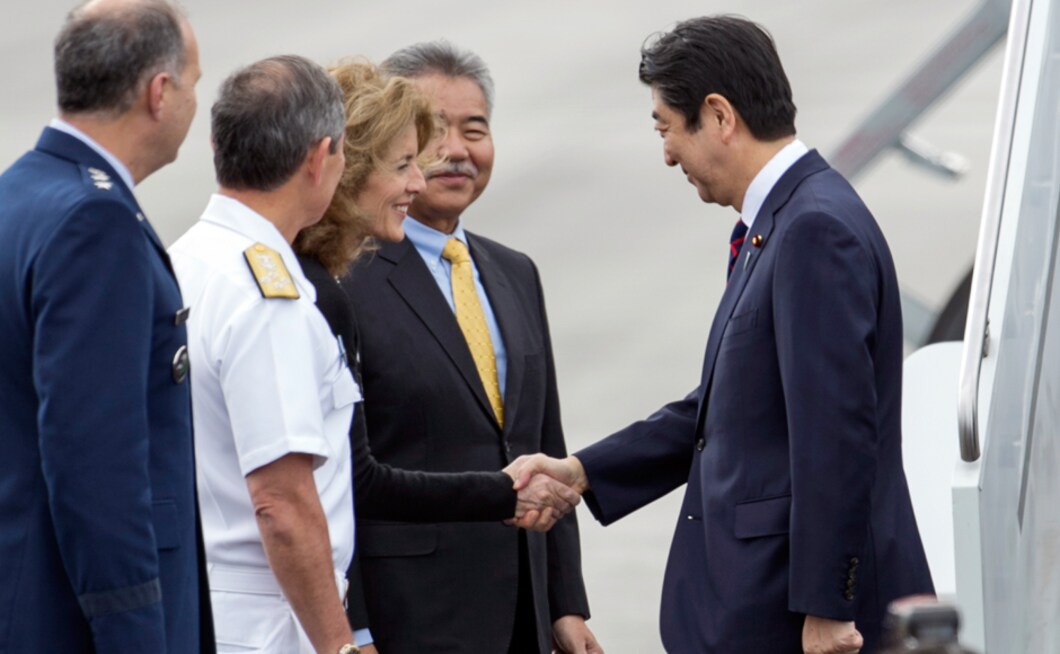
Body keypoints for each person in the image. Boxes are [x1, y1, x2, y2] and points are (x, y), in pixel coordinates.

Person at [510, 15, 934, 654]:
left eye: (666, 127)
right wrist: (580, 472)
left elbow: (836, 434)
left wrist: (826, 609)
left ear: (718, 115)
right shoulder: (783, 224)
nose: (666, 153)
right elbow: (726, 408)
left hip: (795, 622)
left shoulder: (814, 230)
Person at [290, 59, 583, 651]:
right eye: (432, 133)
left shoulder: (514, 272)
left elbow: (543, 443)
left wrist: (565, 605)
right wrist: (354, 627)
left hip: (522, 614)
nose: (455, 151)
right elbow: (339, 480)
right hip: (409, 617)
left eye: (474, 130)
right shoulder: (341, 275)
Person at [0, 1, 212, 651]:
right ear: (159, 91)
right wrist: (134, 635)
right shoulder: (96, 223)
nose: (194, 102)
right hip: (84, 619)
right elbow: (96, 463)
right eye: (195, 83)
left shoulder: (19, 196)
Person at [169, 55, 357, 654]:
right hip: (271, 618)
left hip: (200, 600)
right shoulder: (265, 292)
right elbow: (281, 501)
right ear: (317, 157)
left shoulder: (182, 260)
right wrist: (339, 646)